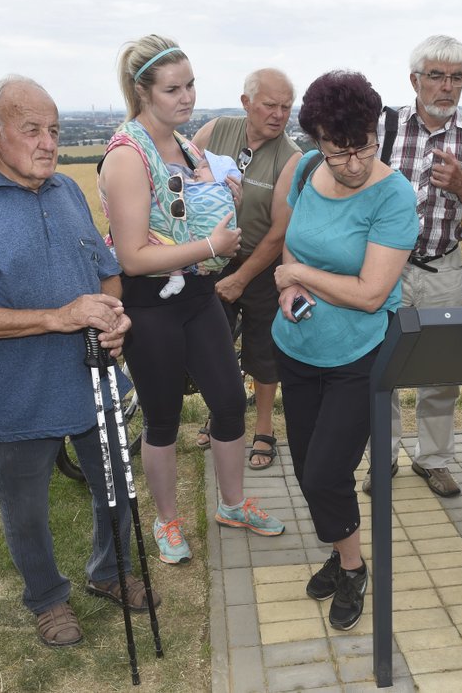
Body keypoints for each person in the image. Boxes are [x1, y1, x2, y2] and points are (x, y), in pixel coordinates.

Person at [0, 75, 158, 647]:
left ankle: (110, 571)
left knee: (116, 486)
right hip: (17, 387)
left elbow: (107, 274)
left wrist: (114, 316)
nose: (48, 142)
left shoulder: (67, 192)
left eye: (53, 130)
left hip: (92, 377)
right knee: (26, 505)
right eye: (32, 129)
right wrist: (58, 316)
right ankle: (47, 598)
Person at [99, 35, 284, 567]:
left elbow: (189, 213)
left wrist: (218, 205)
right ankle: (167, 520)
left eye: (191, 84)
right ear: (142, 92)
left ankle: (232, 504)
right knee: (161, 417)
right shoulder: (127, 156)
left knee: (228, 402)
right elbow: (131, 257)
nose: (187, 98)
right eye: (173, 89)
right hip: (151, 302)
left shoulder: (189, 147)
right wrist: (210, 244)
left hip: (199, 294)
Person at [272, 71, 417, 630]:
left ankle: (353, 568)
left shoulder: (394, 195)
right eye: (340, 152)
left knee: (326, 473)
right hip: (297, 347)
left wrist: (300, 273)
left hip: (358, 356)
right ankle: (340, 551)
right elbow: (293, 240)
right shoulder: (307, 169)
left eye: (364, 149)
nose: (353, 163)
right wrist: (288, 288)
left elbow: (371, 293)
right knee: (310, 467)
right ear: (317, 140)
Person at [360, 35, 462, 499]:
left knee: (440, 371)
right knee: (382, 367)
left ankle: (434, 459)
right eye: (436, 76)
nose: (447, 86)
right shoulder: (381, 129)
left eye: (456, 77)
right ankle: (384, 459)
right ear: (414, 79)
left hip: (443, 267)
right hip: (384, 269)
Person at [193, 69, 302, 469]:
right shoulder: (214, 131)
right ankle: (221, 415)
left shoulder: (290, 157)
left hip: (259, 265)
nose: (278, 114)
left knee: (262, 352)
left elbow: (278, 232)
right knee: (213, 348)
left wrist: (241, 277)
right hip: (209, 261)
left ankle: (264, 429)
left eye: (286, 107)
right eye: (269, 105)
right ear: (246, 103)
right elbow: (180, 177)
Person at [155, 151, 241, 298]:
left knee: (166, 235)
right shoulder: (200, 187)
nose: (196, 170)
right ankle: (176, 276)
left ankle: (176, 276)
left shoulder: (217, 193)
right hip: (205, 260)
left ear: (222, 176)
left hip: (200, 250)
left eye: (204, 167)